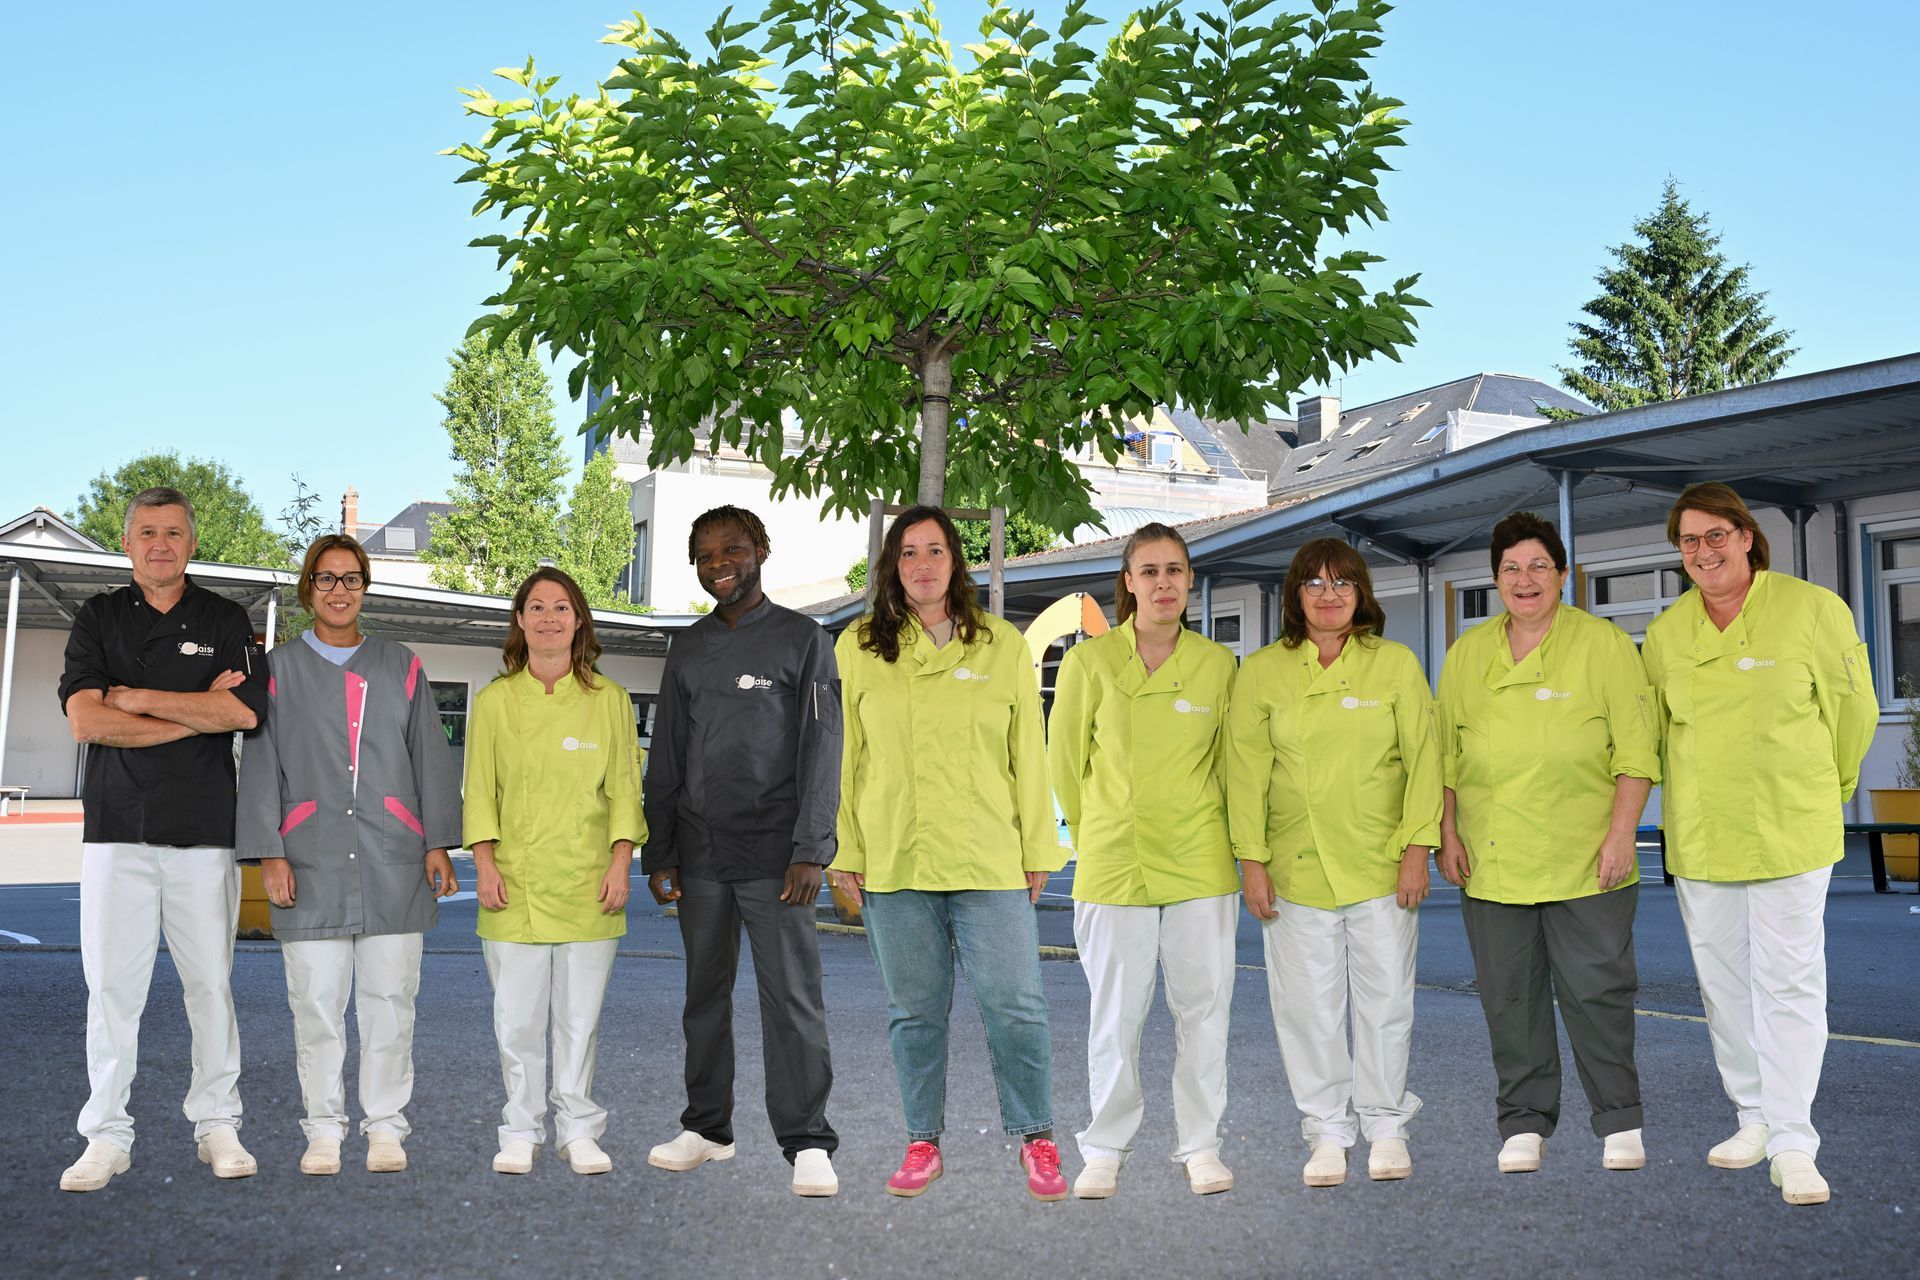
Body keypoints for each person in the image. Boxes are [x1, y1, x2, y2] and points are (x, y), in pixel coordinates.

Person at [1642, 482, 1877, 1207]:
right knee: (1723, 986)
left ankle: (1794, 1140)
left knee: (1789, 982)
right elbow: (1656, 734)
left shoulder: (1813, 610)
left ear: (1746, 537)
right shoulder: (1666, 634)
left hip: (1789, 827)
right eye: (1689, 540)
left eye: (1716, 535)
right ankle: (1752, 1116)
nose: (1704, 551)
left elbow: (1854, 711)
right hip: (1703, 834)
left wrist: (1828, 785)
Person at [828, 505, 1069, 1201]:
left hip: (988, 855)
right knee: (914, 1012)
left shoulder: (1001, 644)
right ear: (892, 566)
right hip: (894, 855)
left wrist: (1037, 845)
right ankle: (922, 1143)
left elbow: (1028, 753)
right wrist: (844, 848)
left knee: (1016, 1004)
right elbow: (843, 757)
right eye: (909, 552)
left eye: (935, 550)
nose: (923, 564)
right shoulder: (859, 647)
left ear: (956, 562)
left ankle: (1037, 1137)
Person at [56, 487, 270, 1191]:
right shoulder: (99, 617)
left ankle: (218, 1125)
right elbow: (87, 721)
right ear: (127, 543)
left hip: (204, 833)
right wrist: (198, 713)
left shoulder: (225, 617)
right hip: (116, 832)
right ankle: (106, 1137)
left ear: (192, 543)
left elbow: (245, 711)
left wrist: (139, 699)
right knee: (112, 991)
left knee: (210, 986)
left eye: (173, 532)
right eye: (147, 532)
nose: (160, 544)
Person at [1435, 513, 1658, 1177]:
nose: (1524, 580)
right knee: (1510, 999)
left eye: (1538, 566)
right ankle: (1525, 1124)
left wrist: (1622, 835)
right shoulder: (1467, 654)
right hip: (1493, 857)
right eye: (1511, 568)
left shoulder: (1603, 644)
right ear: (1495, 578)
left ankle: (1620, 1121)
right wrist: (1447, 833)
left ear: (1562, 575)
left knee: (1599, 994)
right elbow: (1444, 757)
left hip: (1587, 856)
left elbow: (1637, 752)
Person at [235, 534, 462, 1176]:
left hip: (394, 855)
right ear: (308, 588)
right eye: (326, 578)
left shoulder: (401, 664)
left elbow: (430, 756)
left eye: (351, 578)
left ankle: (386, 1127)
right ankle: (324, 1130)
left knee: (391, 1002)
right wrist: (269, 852)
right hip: (308, 858)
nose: (339, 590)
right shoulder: (277, 669)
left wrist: (437, 842)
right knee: (315, 1004)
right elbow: (261, 763)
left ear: (365, 586)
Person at [1226, 536, 1440, 1188]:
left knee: (1385, 1004)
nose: (1329, 594)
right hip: (1295, 868)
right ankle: (1326, 1132)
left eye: (1342, 582)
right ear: (1295, 595)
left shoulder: (1394, 664)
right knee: (1306, 1010)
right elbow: (1244, 774)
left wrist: (1417, 850)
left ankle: (1385, 1127)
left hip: (1380, 864)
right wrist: (1251, 861)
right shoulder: (1262, 671)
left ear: (1360, 593)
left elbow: (1425, 760)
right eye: (1314, 583)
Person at [642, 506, 841, 1198]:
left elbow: (823, 750)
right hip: (700, 854)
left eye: (731, 549)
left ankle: (807, 1139)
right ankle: (707, 1128)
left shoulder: (804, 640)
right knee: (704, 998)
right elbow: (667, 754)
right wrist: (660, 850)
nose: (718, 563)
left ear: (761, 550)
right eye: (704, 555)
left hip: (778, 857)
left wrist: (812, 848)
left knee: (792, 1001)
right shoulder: (688, 648)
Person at [1047, 522, 1239, 1199]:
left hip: (1200, 865)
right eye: (1149, 571)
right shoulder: (1089, 664)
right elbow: (1065, 767)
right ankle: (1104, 1148)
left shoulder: (1218, 666)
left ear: (1190, 581)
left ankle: (1201, 1147)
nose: (1163, 583)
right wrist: (1096, 834)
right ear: (1128, 582)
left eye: (1174, 571)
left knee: (1204, 1014)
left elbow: (1231, 768)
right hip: (1113, 866)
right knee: (1115, 1018)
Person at [464, 567, 646, 1176]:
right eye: (537, 607)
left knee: (578, 1021)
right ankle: (520, 1130)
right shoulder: (495, 701)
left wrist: (620, 864)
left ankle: (578, 1130)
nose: (549, 618)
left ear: (578, 621)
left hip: (589, 882)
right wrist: (484, 864)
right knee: (516, 1022)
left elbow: (624, 790)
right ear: (519, 620)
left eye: (561, 607)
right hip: (512, 884)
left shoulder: (609, 700)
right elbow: (479, 791)